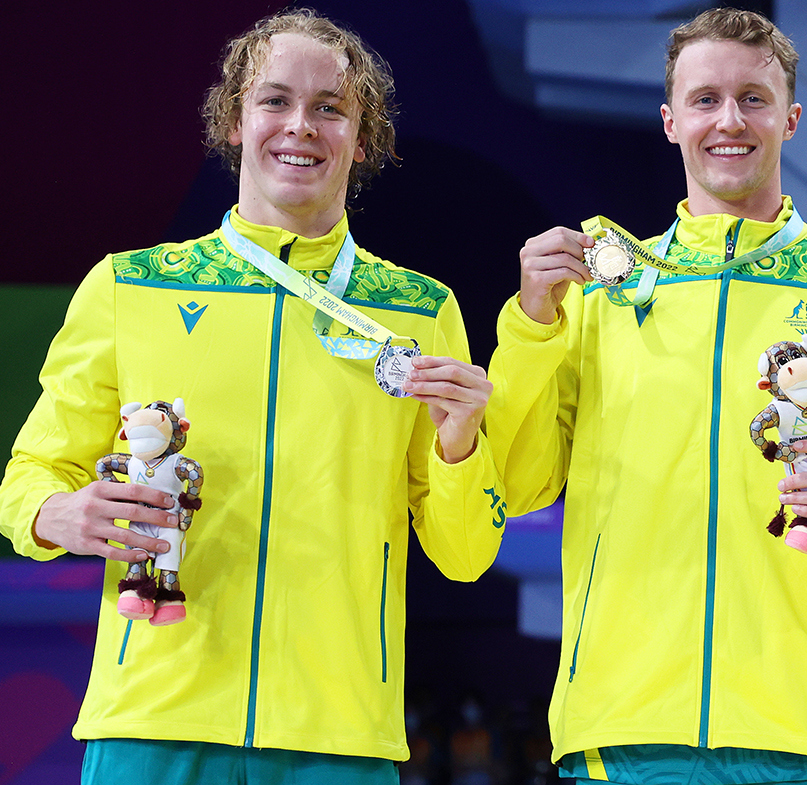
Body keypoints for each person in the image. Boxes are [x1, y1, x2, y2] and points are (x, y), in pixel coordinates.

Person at [0, 9, 503, 783]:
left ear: (362, 139)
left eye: (330, 108)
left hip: (337, 733)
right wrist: (53, 513)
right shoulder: (130, 286)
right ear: (235, 121)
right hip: (154, 718)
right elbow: (28, 473)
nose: (300, 126)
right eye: (275, 101)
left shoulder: (416, 310)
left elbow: (465, 554)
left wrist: (462, 443)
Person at [486, 8, 807, 784]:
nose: (729, 120)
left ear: (791, 117)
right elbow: (516, 479)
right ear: (671, 120)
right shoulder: (600, 296)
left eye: (753, 97)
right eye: (705, 99)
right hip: (626, 728)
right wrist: (534, 325)